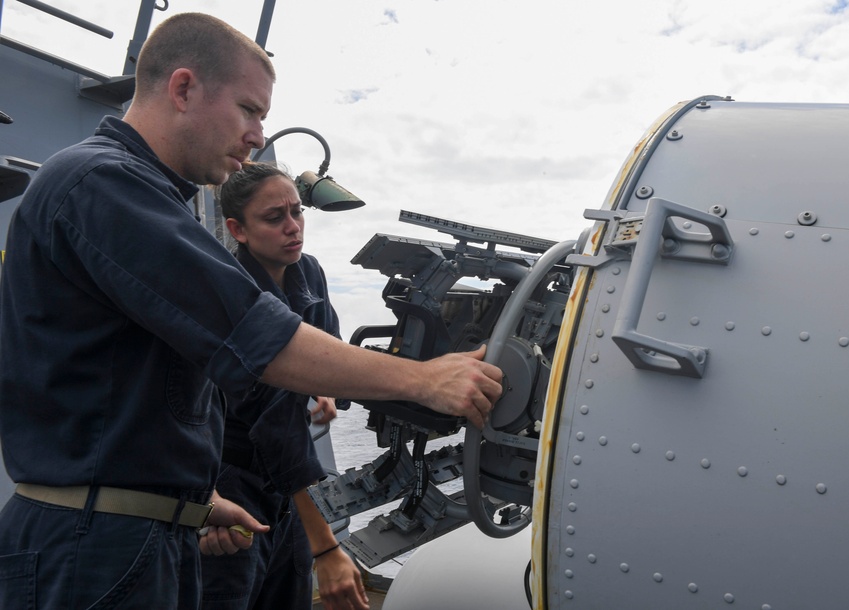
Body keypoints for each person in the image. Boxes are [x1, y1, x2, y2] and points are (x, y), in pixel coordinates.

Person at [0, 12, 501, 610]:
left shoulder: (134, 194)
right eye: (249, 110)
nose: (259, 135)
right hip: (96, 545)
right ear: (183, 89)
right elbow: (256, 336)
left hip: (133, 531)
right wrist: (427, 381)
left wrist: (197, 502)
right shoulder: (100, 183)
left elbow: (118, 393)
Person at [199, 162, 367, 610]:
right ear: (238, 229)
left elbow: (328, 353)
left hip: (288, 487)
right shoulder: (233, 295)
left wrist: (324, 390)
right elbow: (275, 425)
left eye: (297, 212)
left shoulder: (308, 272)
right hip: (233, 482)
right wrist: (328, 550)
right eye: (275, 218)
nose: (293, 228)